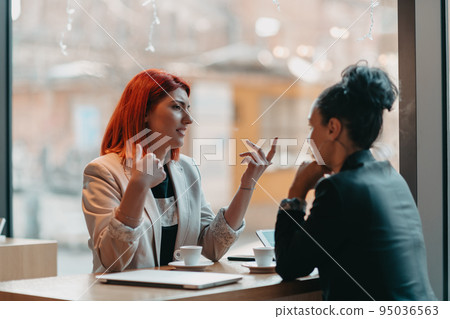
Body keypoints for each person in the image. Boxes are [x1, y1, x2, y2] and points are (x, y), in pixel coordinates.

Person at [82, 69, 277, 272]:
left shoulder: (187, 169)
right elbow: (111, 258)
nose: (189, 119)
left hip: (178, 295)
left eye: (188, 108)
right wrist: (138, 185)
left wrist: (247, 185)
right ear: (145, 113)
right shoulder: (103, 171)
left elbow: (213, 247)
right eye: (177, 107)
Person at [275, 62, 436, 301]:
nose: (309, 139)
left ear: (333, 128)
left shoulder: (339, 189)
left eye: (312, 127)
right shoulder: (393, 179)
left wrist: (296, 191)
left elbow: (290, 266)